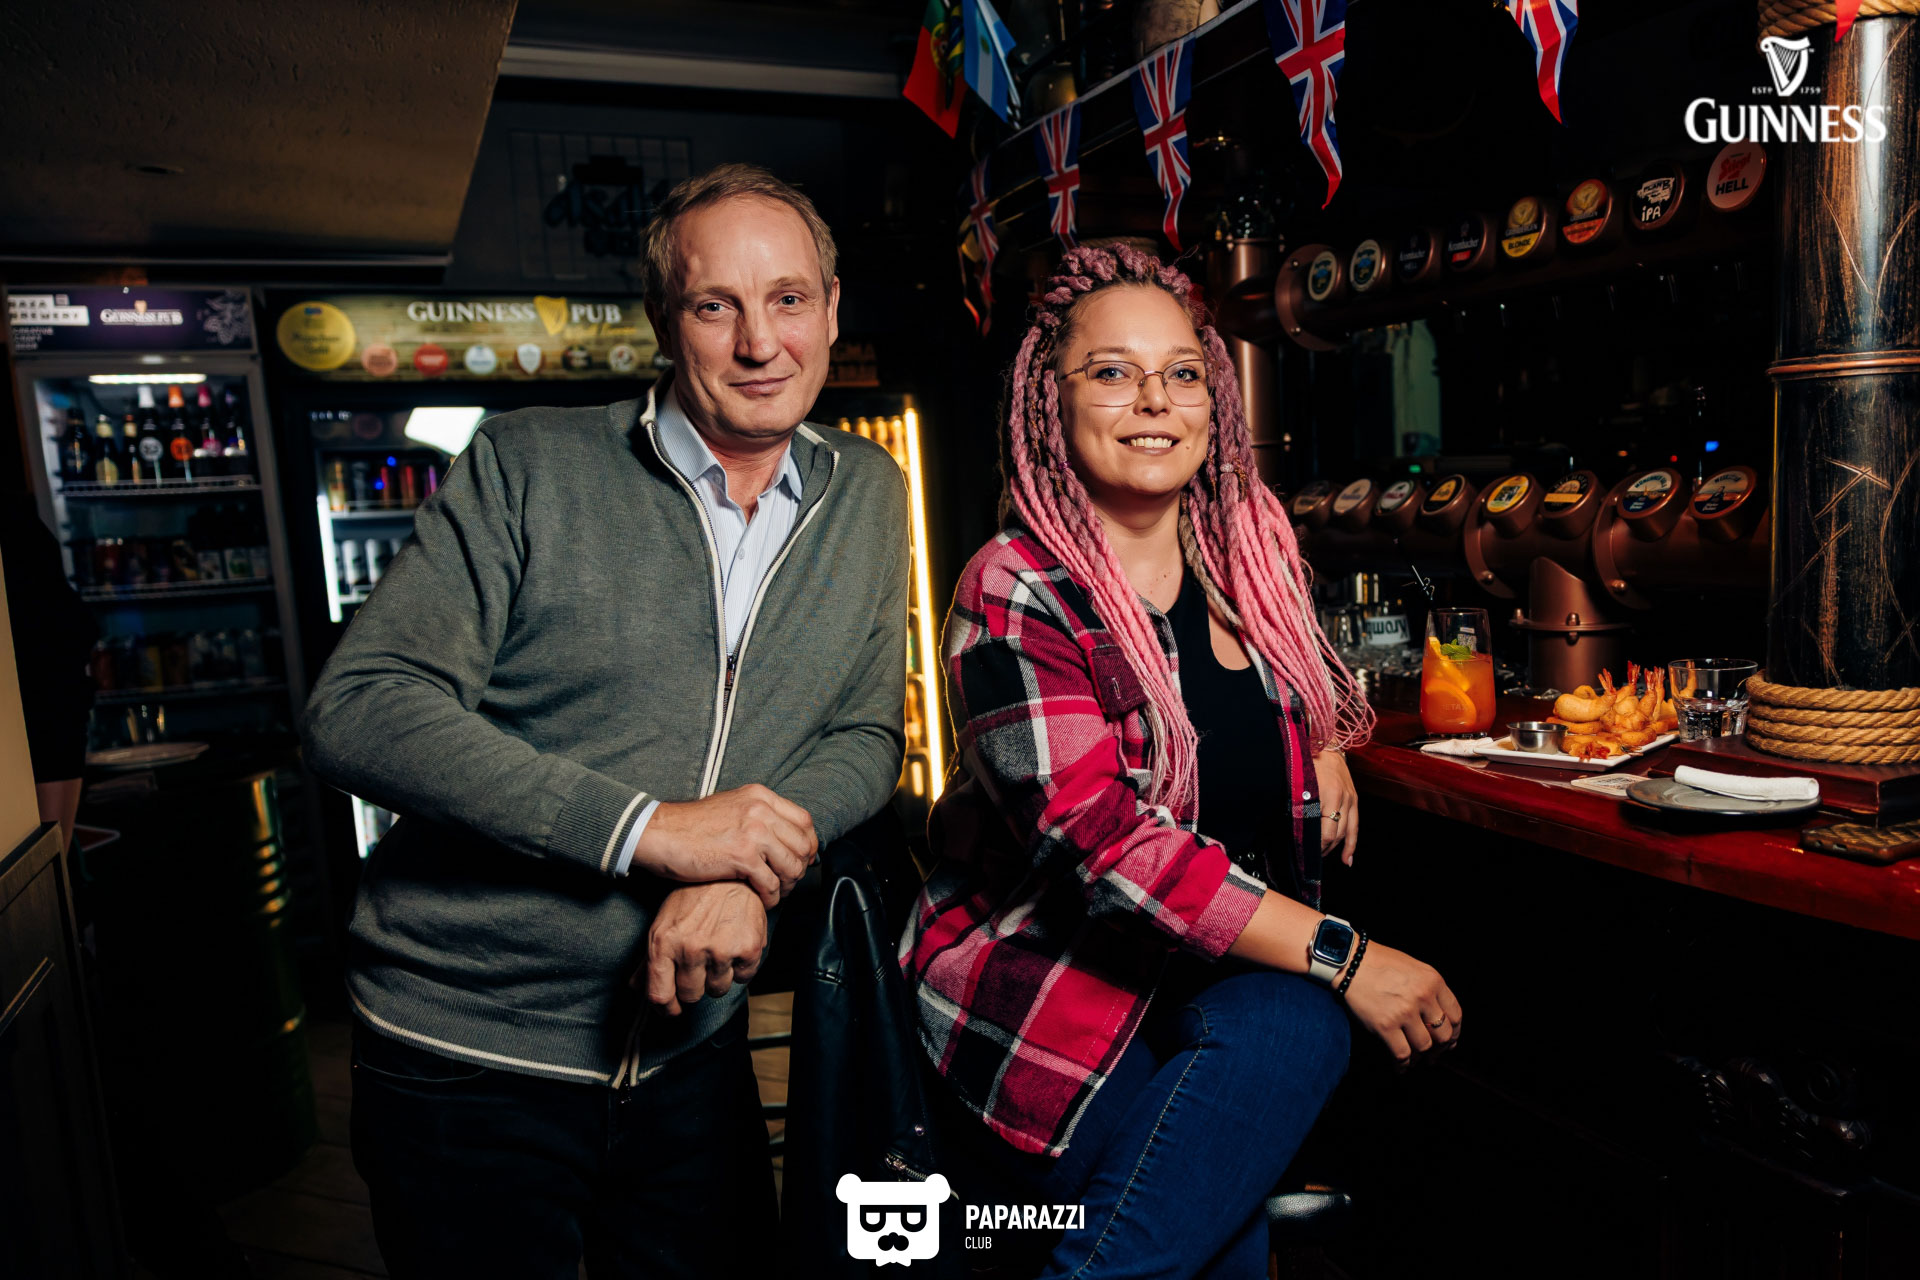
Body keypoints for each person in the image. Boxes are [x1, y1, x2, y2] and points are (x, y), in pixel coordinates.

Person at [303, 163, 909, 1280]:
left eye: (788, 299)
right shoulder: (528, 464)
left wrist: (747, 868)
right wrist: (654, 832)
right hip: (468, 1052)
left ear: (832, 309)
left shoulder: (867, 489)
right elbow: (360, 709)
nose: (760, 343)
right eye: (716, 305)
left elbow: (866, 736)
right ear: (663, 322)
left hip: (692, 1050)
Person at [901, 245, 1461, 1279]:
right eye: (1113, 371)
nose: (1155, 399)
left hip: (1219, 991)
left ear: (1216, 401)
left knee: (1287, 1042)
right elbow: (1107, 849)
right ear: (1051, 403)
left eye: (1183, 372)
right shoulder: (1015, 587)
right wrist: (1348, 956)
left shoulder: (1248, 557)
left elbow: (1289, 691)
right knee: (1253, 1126)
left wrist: (1322, 737)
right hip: (1059, 1011)